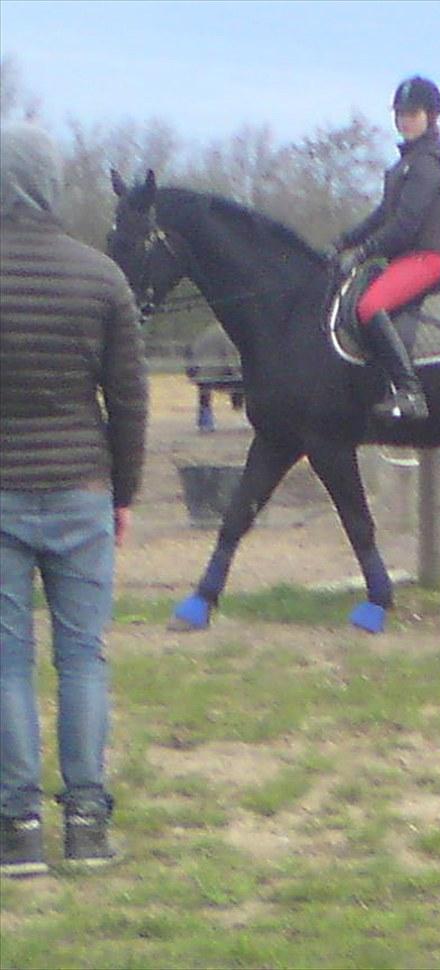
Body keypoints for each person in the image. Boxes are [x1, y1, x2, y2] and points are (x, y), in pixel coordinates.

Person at [0, 123, 148, 876]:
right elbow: (129, 397)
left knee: (6, 662)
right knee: (83, 657)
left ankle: (19, 828)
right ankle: (87, 823)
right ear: (52, 183)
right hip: (83, 489)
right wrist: (125, 491)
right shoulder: (101, 277)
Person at [332, 76, 440, 421]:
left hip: (425, 259)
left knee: (370, 306)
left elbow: (404, 226)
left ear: (431, 116)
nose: (404, 121)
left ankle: (410, 391)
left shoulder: (427, 164)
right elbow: (382, 216)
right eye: (400, 114)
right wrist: (343, 242)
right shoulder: (405, 164)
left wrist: (362, 253)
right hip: (403, 260)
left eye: (412, 114)